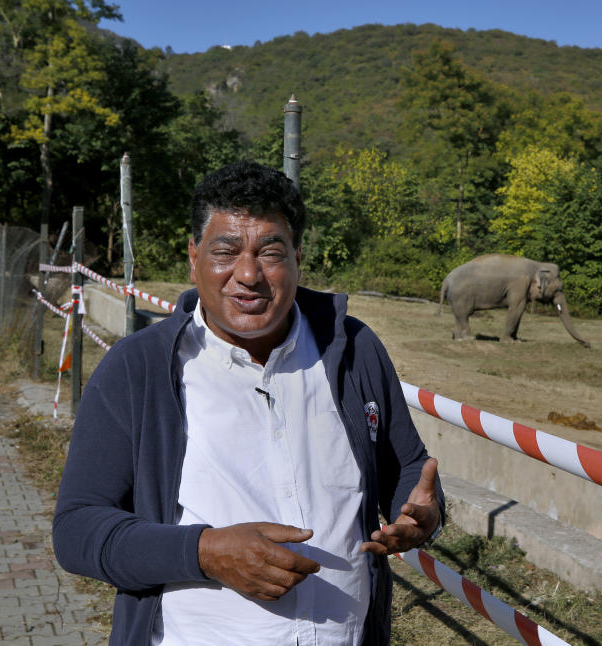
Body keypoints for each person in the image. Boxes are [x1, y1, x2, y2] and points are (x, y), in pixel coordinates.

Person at [52, 160, 444, 646]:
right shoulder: (141, 369)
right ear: (194, 256)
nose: (248, 274)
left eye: (271, 252)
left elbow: (407, 469)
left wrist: (421, 514)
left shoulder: (353, 350)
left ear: (298, 256)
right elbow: (77, 530)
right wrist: (204, 550)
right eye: (225, 251)